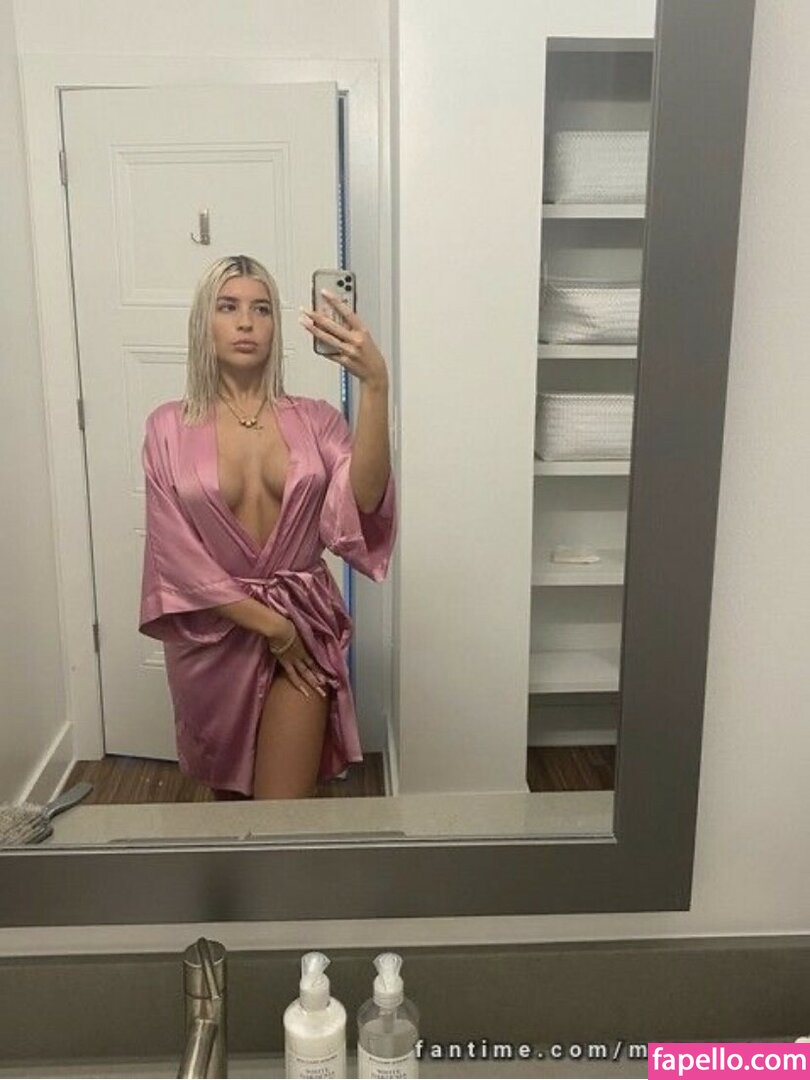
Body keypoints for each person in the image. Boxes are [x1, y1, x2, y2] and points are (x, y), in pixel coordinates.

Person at [138, 255, 395, 799]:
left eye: (261, 309)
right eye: (228, 307)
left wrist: (376, 386)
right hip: (215, 634)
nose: (246, 322)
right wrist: (273, 628)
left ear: (277, 326)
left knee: (281, 811)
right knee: (233, 805)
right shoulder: (167, 427)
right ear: (203, 322)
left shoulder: (316, 419)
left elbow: (364, 499)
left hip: (302, 629)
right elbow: (176, 558)